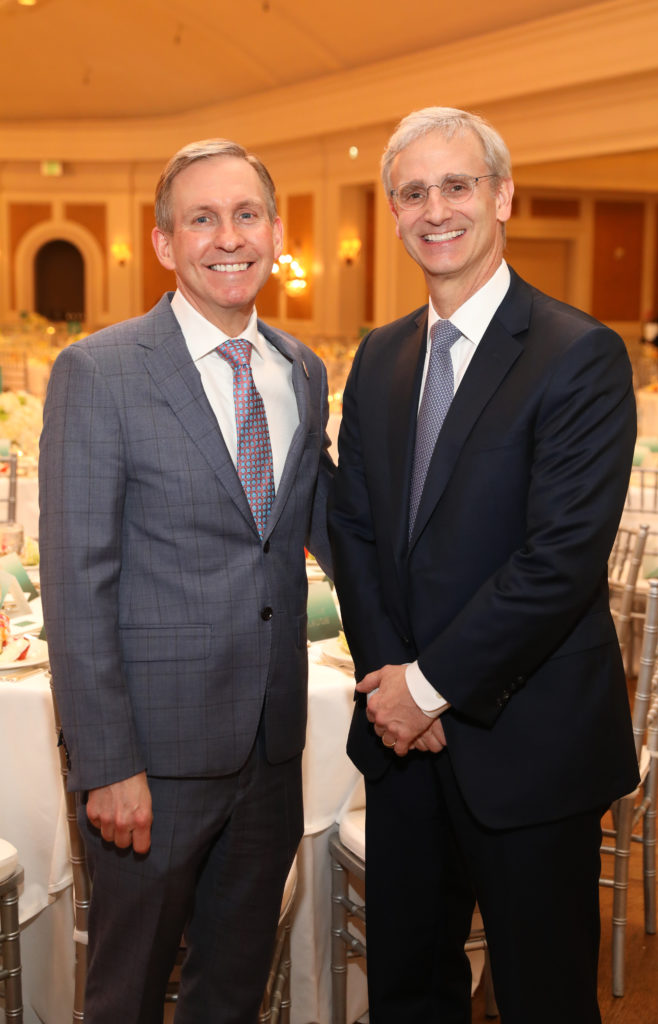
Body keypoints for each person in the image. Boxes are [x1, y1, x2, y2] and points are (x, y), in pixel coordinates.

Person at [328, 107, 639, 1024]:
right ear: (392, 213)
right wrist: (395, 691)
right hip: (403, 750)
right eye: (412, 192)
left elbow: (560, 561)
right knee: (409, 993)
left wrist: (425, 687)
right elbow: (354, 529)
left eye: (456, 186)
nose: (435, 209)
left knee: (542, 998)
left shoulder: (577, 353)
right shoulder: (381, 353)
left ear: (501, 196)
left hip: (529, 748)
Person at [39, 138, 334, 1024]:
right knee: (126, 992)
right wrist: (107, 762)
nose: (227, 236)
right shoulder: (101, 372)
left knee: (232, 988)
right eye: (200, 218)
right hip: (151, 765)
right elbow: (77, 580)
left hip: (274, 750)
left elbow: (321, 532)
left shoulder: (301, 371)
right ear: (165, 243)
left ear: (276, 232)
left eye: (246, 215)